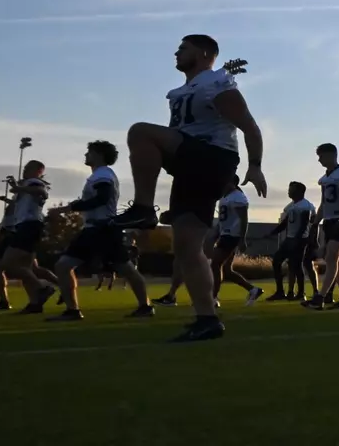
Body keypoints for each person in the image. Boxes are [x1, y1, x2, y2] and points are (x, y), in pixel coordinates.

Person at [111, 37, 265, 343]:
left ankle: (143, 208)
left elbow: (249, 125)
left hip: (212, 156)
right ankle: (207, 320)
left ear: (204, 53)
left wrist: (255, 165)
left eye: (183, 48)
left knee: (140, 132)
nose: (176, 52)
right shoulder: (187, 90)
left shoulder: (216, 83)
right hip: (191, 164)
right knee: (186, 247)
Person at [47, 141, 154, 321]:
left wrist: (69, 208)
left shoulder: (102, 174)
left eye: (89, 152)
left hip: (101, 229)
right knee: (65, 266)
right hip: (97, 229)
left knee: (125, 268)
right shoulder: (101, 174)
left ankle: (145, 306)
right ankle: (73, 310)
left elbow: (102, 198)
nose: (86, 155)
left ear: (99, 155)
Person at [0, 161, 60, 315]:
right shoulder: (27, 184)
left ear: (38, 171)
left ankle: (42, 288)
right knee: (26, 267)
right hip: (27, 226)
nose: (24, 170)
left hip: (29, 226)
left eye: (28, 168)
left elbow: (42, 192)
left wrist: (19, 188)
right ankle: (35, 303)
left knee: (8, 263)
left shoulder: (34, 182)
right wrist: (16, 187)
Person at [307, 144, 339, 311]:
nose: (319, 160)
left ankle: (320, 297)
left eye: (321, 156)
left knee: (330, 258)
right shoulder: (326, 178)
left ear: (331, 155)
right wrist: (316, 223)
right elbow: (324, 203)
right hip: (329, 221)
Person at [210, 184, 263, 306]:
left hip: (232, 235)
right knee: (227, 270)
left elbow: (244, 219)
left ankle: (212, 297)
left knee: (215, 264)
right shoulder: (225, 197)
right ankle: (253, 290)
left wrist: (242, 238)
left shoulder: (238, 197)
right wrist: (216, 234)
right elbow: (223, 220)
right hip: (225, 234)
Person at [266, 182, 315, 301]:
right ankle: (280, 291)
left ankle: (301, 293)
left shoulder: (305, 206)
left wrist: (296, 240)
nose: (288, 191)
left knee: (297, 265)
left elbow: (304, 225)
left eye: (291, 189)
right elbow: (285, 223)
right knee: (277, 261)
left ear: (299, 191)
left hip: (300, 239)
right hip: (290, 238)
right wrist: (273, 232)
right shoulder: (291, 206)